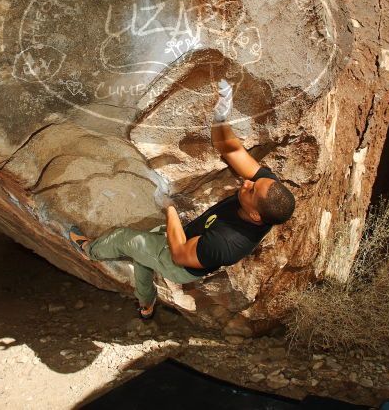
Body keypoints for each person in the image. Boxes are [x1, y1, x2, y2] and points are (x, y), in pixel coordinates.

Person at [68, 80, 296, 319]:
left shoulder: (227, 245)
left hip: (178, 264)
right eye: (254, 181)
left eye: (250, 190)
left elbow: (178, 253)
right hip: (188, 239)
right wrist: (221, 120)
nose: (247, 182)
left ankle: (88, 250)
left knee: (127, 239)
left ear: (255, 215)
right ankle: (146, 304)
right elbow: (230, 150)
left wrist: (170, 210)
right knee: (143, 257)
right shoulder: (267, 192)